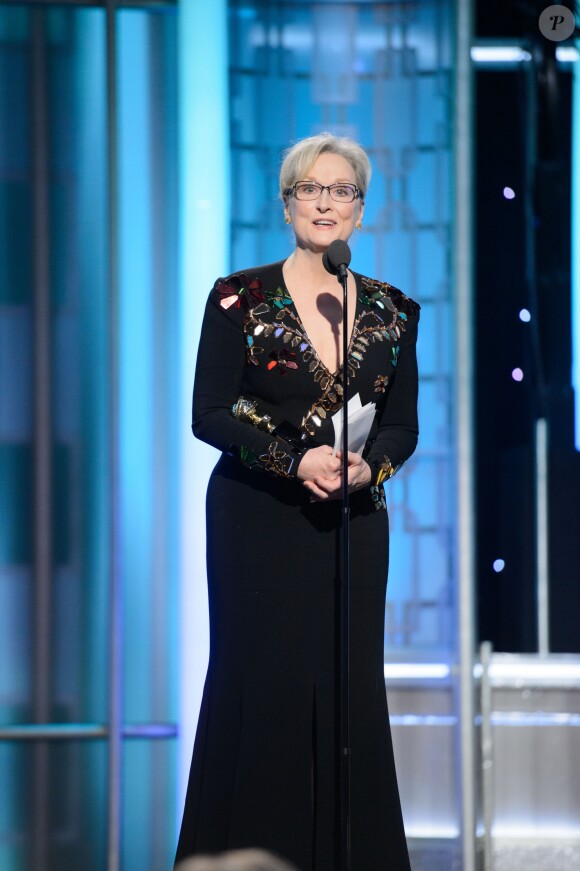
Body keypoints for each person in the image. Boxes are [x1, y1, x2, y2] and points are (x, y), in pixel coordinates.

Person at [175, 132, 420, 871]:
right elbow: (209, 413)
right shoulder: (238, 299)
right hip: (258, 522)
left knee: (348, 691)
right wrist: (294, 458)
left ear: (360, 210)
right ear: (287, 205)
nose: (326, 202)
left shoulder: (393, 310)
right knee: (263, 685)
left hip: (350, 524)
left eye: (341, 190)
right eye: (311, 189)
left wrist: (365, 469)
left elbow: (404, 425)